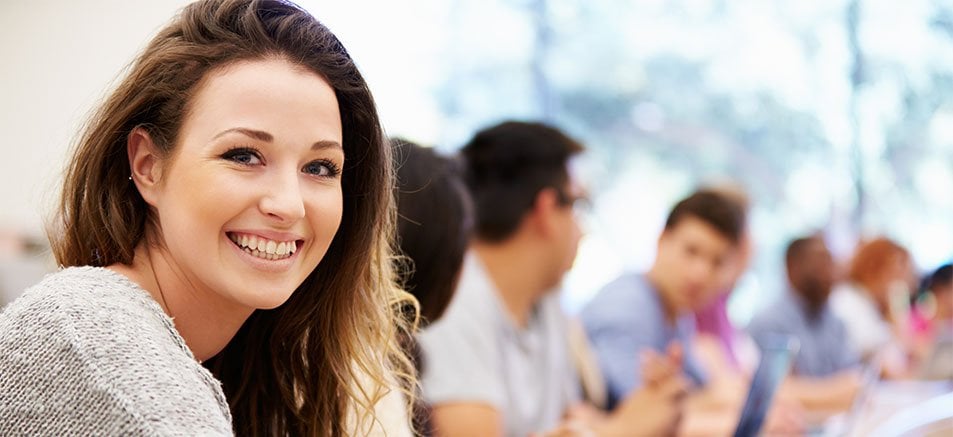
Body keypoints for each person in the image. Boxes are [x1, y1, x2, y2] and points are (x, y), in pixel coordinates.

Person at [0, 0, 414, 435]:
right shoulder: (115, 372)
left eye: (320, 167)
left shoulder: (251, 365)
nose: (289, 204)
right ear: (148, 165)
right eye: (244, 155)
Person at [417, 121, 686, 437]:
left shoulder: (546, 298)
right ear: (546, 209)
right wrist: (625, 429)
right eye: (579, 205)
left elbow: (574, 422)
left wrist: (650, 410)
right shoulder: (456, 299)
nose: (584, 229)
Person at [747, 236, 860, 412]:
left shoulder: (836, 323)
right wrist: (837, 392)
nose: (829, 271)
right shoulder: (768, 323)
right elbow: (774, 394)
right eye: (819, 262)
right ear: (791, 267)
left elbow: (853, 379)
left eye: (830, 262)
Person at [829, 237, 917, 377]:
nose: (899, 281)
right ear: (873, 267)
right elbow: (866, 352)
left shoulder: (872, 305)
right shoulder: (847, 301)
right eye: (893, 273)